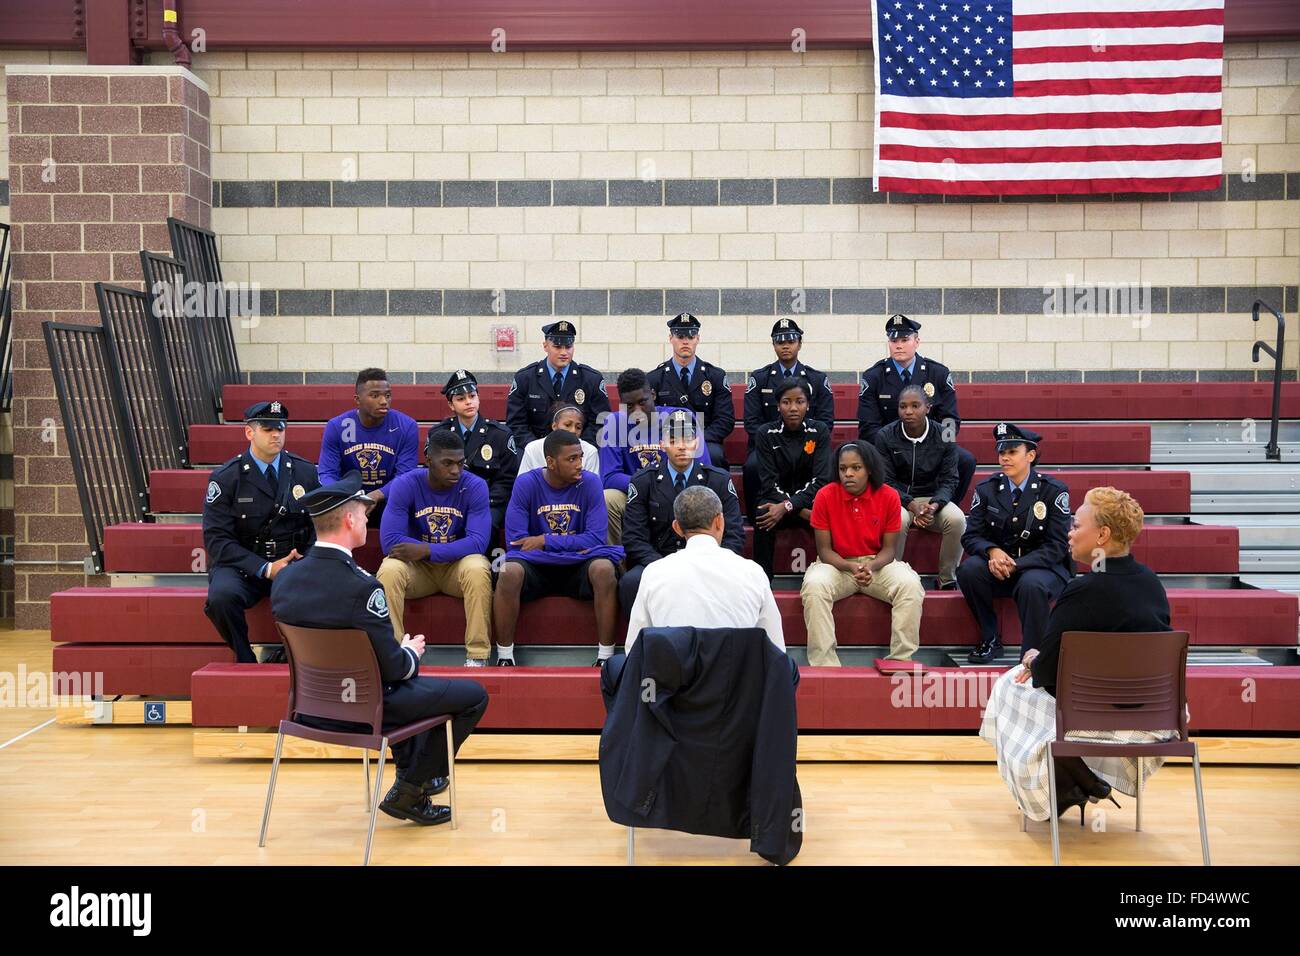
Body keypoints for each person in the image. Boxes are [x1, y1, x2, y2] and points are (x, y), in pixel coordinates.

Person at [271, 472, 489, 827]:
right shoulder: (363, 587)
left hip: (310, 708)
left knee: (415, 691)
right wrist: (409, 652)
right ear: (349, 519)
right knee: (471, 695)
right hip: (364, 709)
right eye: (363, 513)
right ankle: (411, 787)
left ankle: (415, 781)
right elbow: (394, 670)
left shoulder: (285, 579)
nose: (367, 518)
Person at [980, 487, 1174, 821]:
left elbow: (1047, 674)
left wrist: (1032, 659)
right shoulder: (1151, 583)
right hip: (1153, 715)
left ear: (1103, 534)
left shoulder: (1082, 590)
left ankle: (1064, 785)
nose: (1069, 532)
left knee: (1009, 685)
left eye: (1075, 525)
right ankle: (1077, 779)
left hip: (1096, 718)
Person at [494, 429, 624, 666]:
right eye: (571, 459)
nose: (579, 464)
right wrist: (573, 545)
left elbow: (595, 539)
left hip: (575, 567)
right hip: (538, 568)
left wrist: (544, 540)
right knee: (508, 571)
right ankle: (505, 657)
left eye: (580, 457)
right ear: (551, 462)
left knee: (604, 569)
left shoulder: (591, 482)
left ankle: (605, 657)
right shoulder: (526, 483)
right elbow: (516, 541)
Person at [203, 401, 319, 663]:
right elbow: (217, 539)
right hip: (245, 566)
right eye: (267, 429)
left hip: (293, 562)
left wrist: (307, 561)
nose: (276, 434)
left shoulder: (305, 472)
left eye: (280, 428)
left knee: (323, 590)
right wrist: (266, 568)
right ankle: (245, 659)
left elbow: (318, 526)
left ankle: (291, 656)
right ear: (249, 432)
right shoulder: (226, 478)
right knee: (221, 597)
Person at [957, 423, 1074, 664]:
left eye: (1012, 452)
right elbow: (970, 536)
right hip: (1000, 565)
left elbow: (1057, 546)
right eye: (1001, 453)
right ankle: (990, 638)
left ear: (1030, 455)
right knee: (969, 571)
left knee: (1032, 585)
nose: (1004, 458)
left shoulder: (1053, 491)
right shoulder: (987, 489)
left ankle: (1033, 655)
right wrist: (992, 550)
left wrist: (1016, 564)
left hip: (1042, 568)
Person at [376, 430, 493, 667]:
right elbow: (390, 541)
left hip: (455, 570)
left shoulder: (475, 485)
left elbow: (478, 542)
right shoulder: (405, 484)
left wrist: (427, 550)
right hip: (418, 571)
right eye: (447, 463)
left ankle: (477, 656)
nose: (455, 471)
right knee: (389, 570)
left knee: (478, 567)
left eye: (460, 463)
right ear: (428, 459)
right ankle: (394, 656)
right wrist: (427, 553)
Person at [800, 441, 925, 666]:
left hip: (878, 564)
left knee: (910, 584)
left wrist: (871, 566)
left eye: (855, 468)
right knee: (814, 585)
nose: (848, 473)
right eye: (842, 468)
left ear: (869, 468)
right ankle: (824, 664)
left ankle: (900, 659)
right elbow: (824, 550)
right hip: (837, 565)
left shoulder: (889, 496)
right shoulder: (825, 495)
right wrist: (851, 567)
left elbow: (889, 550)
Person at [625, 486, 784, 653]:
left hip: (674, 677)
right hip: (738, 676)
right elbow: (776, 649)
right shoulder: (753, 572)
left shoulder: (654, 572)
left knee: (615, 666)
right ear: (719, 521)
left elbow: (634, 650)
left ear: (677, 528)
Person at [619, 410, 744, 611]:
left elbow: (734, 535)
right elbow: (634, 538)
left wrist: (710, 563)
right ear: (662, 444)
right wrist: (663, 566)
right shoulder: (643, 481)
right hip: (660, 559)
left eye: (687, 439)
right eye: (673, 439)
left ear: (697, 443)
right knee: (631, 582)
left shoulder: (718, 480)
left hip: (708, 561)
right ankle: (641, 640)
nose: (681, 446)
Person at [857, 314, 977, 506]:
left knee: (966, 460)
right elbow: (868, 426)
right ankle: (890, 507)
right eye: (893, 340)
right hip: (890, 447)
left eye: (905, 340)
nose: (899, 345)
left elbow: (950, 420)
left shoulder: (937, 373)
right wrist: (890, 446)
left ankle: (943, 506)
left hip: (931, 445)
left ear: (917, 341)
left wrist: (940, 447)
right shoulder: (874, 376)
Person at [598, 367, 711, 544]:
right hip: (635, 494)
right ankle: (618, 564)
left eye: (642, 402)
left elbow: (701, 469)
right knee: (608, 498)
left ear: (653, 394)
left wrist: (661, 485)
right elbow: (609, 478)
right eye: (629, 406)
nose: (637, 411)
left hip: (676, 491)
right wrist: (649, 485)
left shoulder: (679, 417)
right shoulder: (614, 423)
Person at [873, 383, 967, 589]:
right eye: (903, 406)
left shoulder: (944, 434)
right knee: (897, 519)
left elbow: (950, 478)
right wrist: (911, 505)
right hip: (898, 499)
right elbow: (885, 482)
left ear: (928, 407)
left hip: (933, 498)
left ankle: (947, 579)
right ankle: (890, 577)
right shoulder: (885, 436)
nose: (908, 411)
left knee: (958, 519)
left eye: (915, 406)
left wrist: (935, 505)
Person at [743, 317, 836, 522]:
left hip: (807, 444)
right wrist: (774, 443)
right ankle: (754, 517)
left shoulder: (817, 379)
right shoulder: (759, 379)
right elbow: (751, 422)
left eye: (791, 341)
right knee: (752, 466)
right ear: (773, 344)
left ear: (800, 343)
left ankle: (814, 511)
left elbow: (826, 421)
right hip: (768, 445)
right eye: (780, 341)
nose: (785, 345)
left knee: (825, 466)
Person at [752, 378, 832, 580]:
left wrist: (788, 507)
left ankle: (828, 575)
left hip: (809, 502)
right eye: (787, 402)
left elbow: (821, 481)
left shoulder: (819, 431)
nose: (793, 407)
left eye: (800, 401)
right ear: (778, 406)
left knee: (828, 513)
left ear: (808, 404)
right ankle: (763, 582)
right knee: (762, 515)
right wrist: (797, 510)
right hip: (777, 501)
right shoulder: (765, 433)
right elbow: (768, 483)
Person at [317, 368, 419, 527]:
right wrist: (347, 497)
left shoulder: (407, 426)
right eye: (375, 395)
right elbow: (327, 473)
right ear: (357, 399)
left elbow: (405, 475)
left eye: (387, 395)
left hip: (389, 499)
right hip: (347, 500)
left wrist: (378, 494)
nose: (384, 401)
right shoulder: (337, 426)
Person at [430, 368, 519, 548]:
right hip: (450, 500)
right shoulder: (440, 434)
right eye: (461, 399)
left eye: (472, 396)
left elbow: (506, 480)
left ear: (478, 398)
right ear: (451, 405)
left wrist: (481, 501)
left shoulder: (500, 435)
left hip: (489, 502)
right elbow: (433, 474)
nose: (468, 402)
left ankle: (486, 571)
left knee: (487, 524)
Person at [644, 313, 735, 467]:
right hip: (669, 442)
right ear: (670, 338)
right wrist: (672, 441)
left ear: (697, 339)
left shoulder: (715, 376)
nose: (685, 341)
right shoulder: (654, 378)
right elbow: (650, 419)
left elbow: (725, 420)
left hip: (704, 440)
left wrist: (695, 439)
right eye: (680, 336)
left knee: (714, 455)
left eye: (691, 336)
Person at [506, 320, 610, 446]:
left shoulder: (591, 380)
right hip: (536, 453)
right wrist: (538, 450)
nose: (564, 352)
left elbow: (600, 423)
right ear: (545, 346)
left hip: (579, 453)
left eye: (568, 347)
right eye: (557, 347)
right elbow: (516, 424)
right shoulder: (525, 378)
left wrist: (579, 449)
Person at [518, 401, 600, 476]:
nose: (573, 430)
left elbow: (592, 486)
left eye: (578, 427)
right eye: (567, 425)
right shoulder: (532, 448)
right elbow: (522, 483)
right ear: (554, 426)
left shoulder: (590, 451)